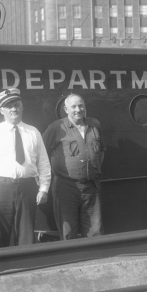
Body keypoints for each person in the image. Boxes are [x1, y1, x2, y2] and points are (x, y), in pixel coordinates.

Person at [0, 88, 51, 248]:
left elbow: (43, 162)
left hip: (27, 188)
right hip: (0, 189)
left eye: (16, 105)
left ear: (22, 107)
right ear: (2, 110)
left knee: (26, 234)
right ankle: (0, 269)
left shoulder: (33, 132)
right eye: (9, 106)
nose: (13, 109)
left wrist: (44, 188)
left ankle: (25, 268)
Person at [42, 93, 105, 240]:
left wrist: (91, 170)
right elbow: (41, 154)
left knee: (95, 231)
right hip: (66, 187)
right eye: (74, 106)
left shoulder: (95, 124)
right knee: (68, 231)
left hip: (91, 186)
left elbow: (101, 151)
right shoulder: (56, 127)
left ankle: (96, 262)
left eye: (81, 105)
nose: (78, 109)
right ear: (66, 109)